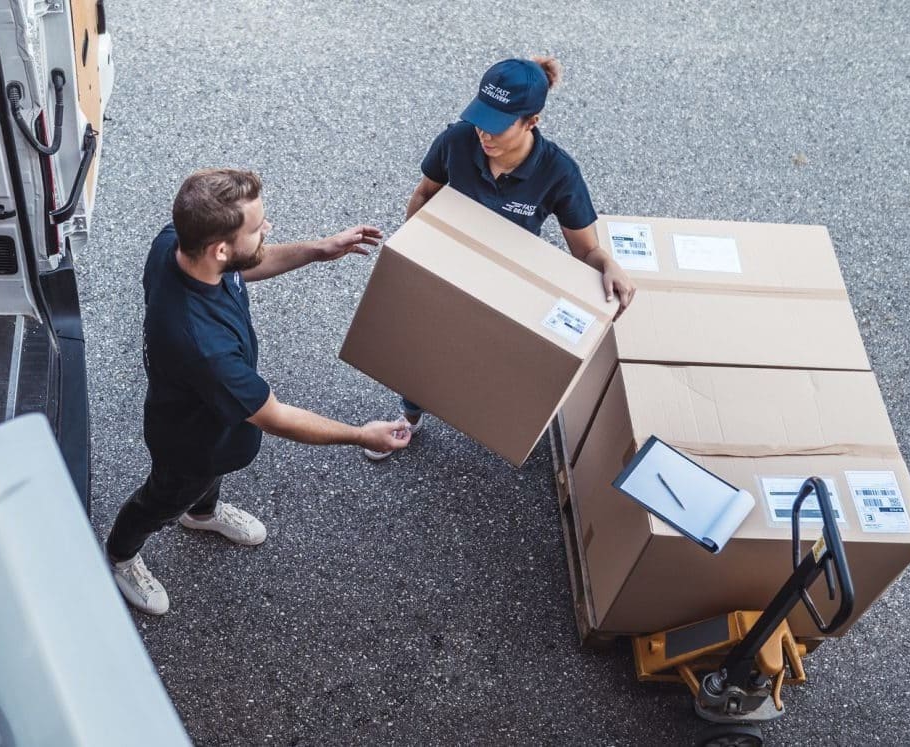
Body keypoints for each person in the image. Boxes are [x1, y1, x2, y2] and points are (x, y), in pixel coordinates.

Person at [107, 168, 412, 615]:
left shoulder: (176, 244)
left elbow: (244, 267)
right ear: (221, 247)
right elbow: (274, 417)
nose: (267, 229)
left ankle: (202, 514)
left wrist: (317, 249)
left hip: (218, 421)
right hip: (190, 441)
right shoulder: (206, 349)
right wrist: (362, 435)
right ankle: (120, 556)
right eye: (257, 227)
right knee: (164, 496)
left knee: (206, 480)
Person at [364, 55, 638, 461]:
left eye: (499, 124)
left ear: (532, 121)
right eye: (481, 117)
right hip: (448, 266)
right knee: (423, 349)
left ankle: (486, 418)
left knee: (486, 356)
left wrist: (608, 265)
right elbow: (425, 193)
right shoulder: (457, 141)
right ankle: (410, 416)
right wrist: (412, 252)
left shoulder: (559, 173)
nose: (483, 133)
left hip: (507, 280)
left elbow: (585, 249)